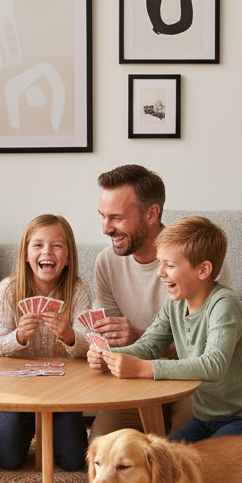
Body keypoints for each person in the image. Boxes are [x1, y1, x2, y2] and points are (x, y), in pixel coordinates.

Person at [88, 216, 242, 445]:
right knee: (165, 459)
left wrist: (143, 368)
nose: (160, 273)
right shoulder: (175, 303)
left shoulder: (224, 303)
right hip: (205, 419)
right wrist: (111, 355)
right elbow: (149, 345)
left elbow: (213, 365)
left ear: (203, 270)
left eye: (169, 265)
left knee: (205, 466)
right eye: (160, 263)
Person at [0, 214, 92, 470]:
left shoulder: (79, 289)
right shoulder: (9, 289)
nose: (48, 252)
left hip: (63, 389)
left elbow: (88, 346)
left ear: (68, 256)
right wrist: (19, 336)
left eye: (57, 245)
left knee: (74, 461)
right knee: (7, 460)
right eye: (38, 245)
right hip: (18, 389)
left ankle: (55, 431)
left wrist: (69, 335)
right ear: (25, 254)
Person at [89, 163, 189, 439]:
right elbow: (110, 341)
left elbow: (206, 347)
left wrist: (140, 337)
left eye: (117, 218)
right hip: (135, 376)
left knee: (188, 451)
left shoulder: (194, 256)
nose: (106, 229)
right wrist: (101, 352)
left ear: (151, 214)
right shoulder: (106, 263)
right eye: (102, 216)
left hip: (190, 376)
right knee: (102, 447)